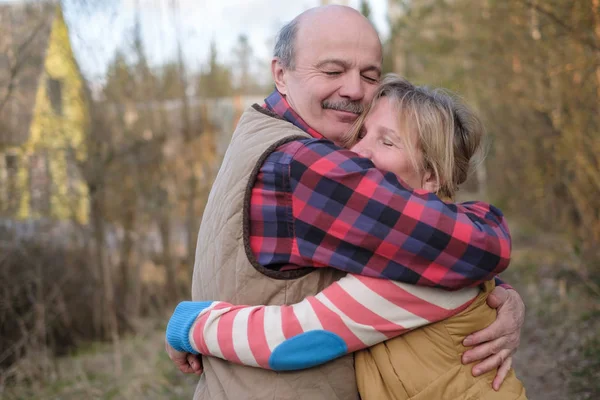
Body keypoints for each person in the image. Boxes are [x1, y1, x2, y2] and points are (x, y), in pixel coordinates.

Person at [167, 5, 525, 400]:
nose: (354, 89)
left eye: (369, 75)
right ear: (281, 74)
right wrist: (485, 275)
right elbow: (476, 247)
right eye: (333, 71)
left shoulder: (258, 133)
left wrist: (488, 290)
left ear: (430, 174)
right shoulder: (307, 165)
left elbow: (438, 252)